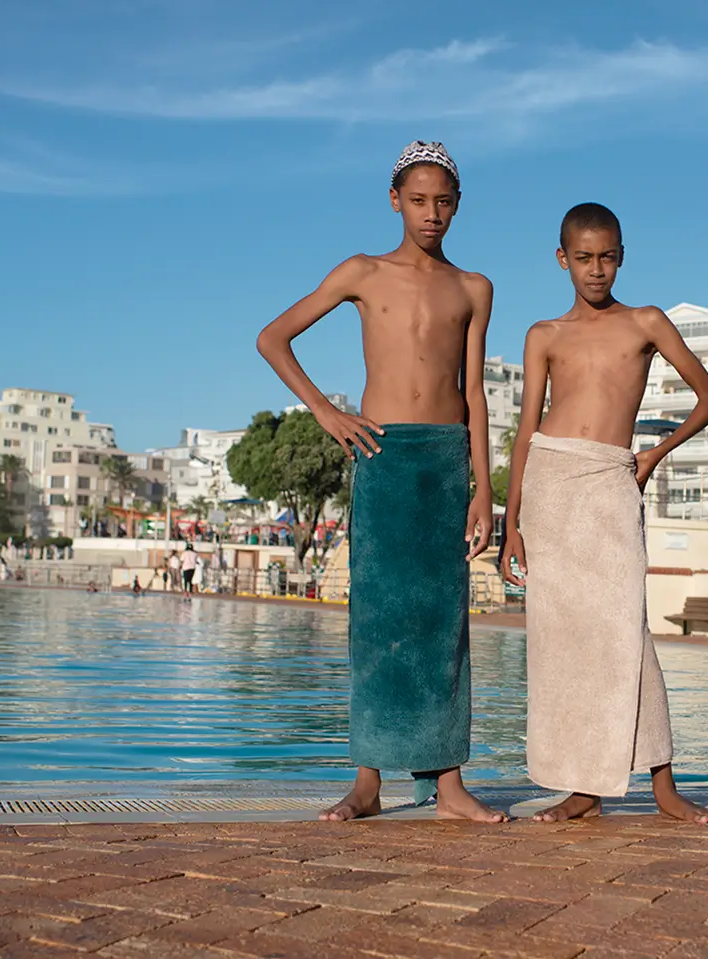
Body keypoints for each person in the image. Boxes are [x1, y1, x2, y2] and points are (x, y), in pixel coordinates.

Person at [256, 140, 504, 824]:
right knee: (377, 618)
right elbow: (273, 337)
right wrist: (325, 410)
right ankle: (366, 780)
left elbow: (475, 391)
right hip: (384, 453)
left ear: (457, 206)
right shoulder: (361, 271)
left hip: (447, 456)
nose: (432, 215)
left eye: (444, 202)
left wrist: (483, 488)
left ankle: (448, 784)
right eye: (419, 201)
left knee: (444, 623)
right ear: (395, 200)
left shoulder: (473, 287)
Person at [501, 202, 708, 824]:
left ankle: (663, 784)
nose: (596, 271)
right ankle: (583, 787)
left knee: (629, 632)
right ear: (562, 259)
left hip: (610, 480)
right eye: (583, 258)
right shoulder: (543, 334)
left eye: (607, 258)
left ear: (622, 256)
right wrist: (511, 525)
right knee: (562, 645)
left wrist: (655, 452)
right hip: (550, 485)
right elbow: (524, 433)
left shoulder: (646, 322)